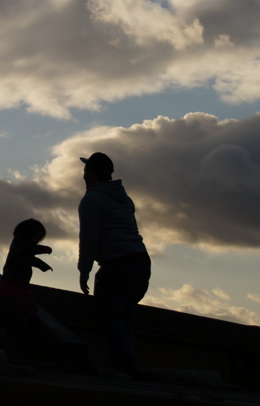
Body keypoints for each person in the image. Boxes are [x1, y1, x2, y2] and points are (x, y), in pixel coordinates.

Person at [77, 152, 151, 379]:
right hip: (140, 262)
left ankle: (122, 367)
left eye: (85, 170)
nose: (83, 175)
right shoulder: (125, 199)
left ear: (90, 173)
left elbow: (89, 237)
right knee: (124, 316)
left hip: (116, 264)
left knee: (110, 315)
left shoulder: (91, 200)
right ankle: (125, 366)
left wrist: (84, 270)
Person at [0, 218, 53, 338]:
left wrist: (42, 265)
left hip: (21, 283)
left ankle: (36, 327)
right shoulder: (18, 244)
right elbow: (28, 251)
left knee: (31, 305)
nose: (37, 242)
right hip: (12, 282)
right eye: (36, 238)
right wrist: (43, 249)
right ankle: (8, 320)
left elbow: (30, 259)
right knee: (21, 304)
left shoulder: (22, 247)